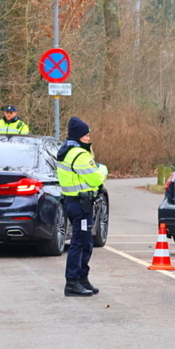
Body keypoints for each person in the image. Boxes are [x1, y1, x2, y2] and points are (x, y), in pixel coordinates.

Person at [57, 117, 107, 297]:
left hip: (75, 202)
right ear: (79, 136)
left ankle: (82, 279)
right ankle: (72, 282)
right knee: (79, 243)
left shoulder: (68, 151)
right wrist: (103, 169)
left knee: (85, 242)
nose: (89, 137)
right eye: (86, 135)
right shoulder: (79, 154)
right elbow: (95, 178)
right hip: (80, 204)